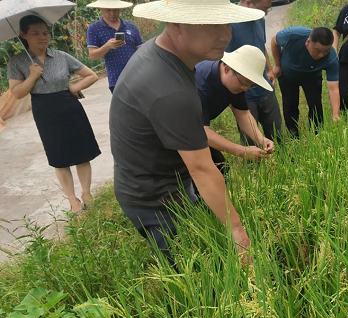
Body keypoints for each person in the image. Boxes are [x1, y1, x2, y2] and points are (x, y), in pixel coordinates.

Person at [110, 0, 264, 261]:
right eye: (211, 25)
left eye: (225, 23)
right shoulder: (169, 88)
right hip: (155, 198)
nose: (225, 35)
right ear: (176, 23)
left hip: (167, 180)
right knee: (193, 276)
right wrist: (237, 230)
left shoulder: (163, 55)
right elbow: (201, 168)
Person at [8, 15, 101, 213]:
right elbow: (17, 93)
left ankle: (86, 193)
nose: (43, 37)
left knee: (82, 152)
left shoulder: (61, 56)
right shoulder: (17, 62)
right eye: (35, 33)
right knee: (59, 156)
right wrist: (32, 76)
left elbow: (91, 75)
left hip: (69, 106)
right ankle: (72, 200)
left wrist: (73, 89)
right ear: (23, 35)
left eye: (45, 33)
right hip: (45, 110)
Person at [196, 45, 275, 177]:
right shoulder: (200, 84)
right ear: (227, 69)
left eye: (250, 85)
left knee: (221, 168)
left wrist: (260, 139)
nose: (245, 88)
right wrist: (242, 151)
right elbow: (201, 132)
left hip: (194, 130)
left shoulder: (236, 83)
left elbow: (243, 113)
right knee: (202, 174)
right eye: (244, 83)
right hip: (169, 131)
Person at [227, 0, 283, 145]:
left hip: (264, 86)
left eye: (267, 10)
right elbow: (224, 61)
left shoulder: (259, 19)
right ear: (248, 2)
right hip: (244, 93)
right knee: (250, 140)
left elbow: (261, 45)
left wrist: (269, 70)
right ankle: (254, 167)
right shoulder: (228, 25)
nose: (265, 13)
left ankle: (285, 162)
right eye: (264, 9)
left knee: (277, 133)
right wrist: (229, 94)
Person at [271, 26, 340, 138]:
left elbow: (334, 88)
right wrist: (277, 65)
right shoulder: (293, 35)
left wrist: (335, 114)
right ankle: (293, 135)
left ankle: (317, 133)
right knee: (290, 104)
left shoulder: (331, 57)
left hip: (312, 76)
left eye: (325, 51)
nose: (321, 55)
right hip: (288, 74)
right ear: (308, 42)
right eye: (318, 51)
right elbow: (274, 40)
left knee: (315, 104)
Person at [86, 0, 144, 93]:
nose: (112, 13)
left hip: (138, 76)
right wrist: (107, 46)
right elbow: (93, 55)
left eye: (115, 10)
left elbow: (141, 50)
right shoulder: (94, 28)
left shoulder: (131, 27)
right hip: (117, 79)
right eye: (108, 10)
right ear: (101, 9)